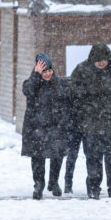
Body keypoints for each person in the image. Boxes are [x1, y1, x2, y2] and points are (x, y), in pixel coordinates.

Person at [70, 44, 111, 199]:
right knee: (93, 156)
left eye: (104, 60)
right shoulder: (82, 69)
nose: (101, 63)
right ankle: (93, 187)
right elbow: (73, 89)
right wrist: (87, 95)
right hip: (90, 121)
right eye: (97, 60)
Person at [21, 53, 72, 199]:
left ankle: (53, 182)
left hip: (56, 126)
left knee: (57, 156)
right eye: (44, 71)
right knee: (38, 158)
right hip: (36, 127)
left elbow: (67, 100)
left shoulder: (59, 84)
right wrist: (36, 75)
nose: (48, 74)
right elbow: (27, 90)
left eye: (50, 71)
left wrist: (64, 120)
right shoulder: (32, 83)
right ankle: (38, 184)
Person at [63, 77, 82, 194]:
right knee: (72, 157)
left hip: (79, 126)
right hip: (76, 126)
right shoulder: (70, 86)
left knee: (72, 157)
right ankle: (68, 184)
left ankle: (68, 184)